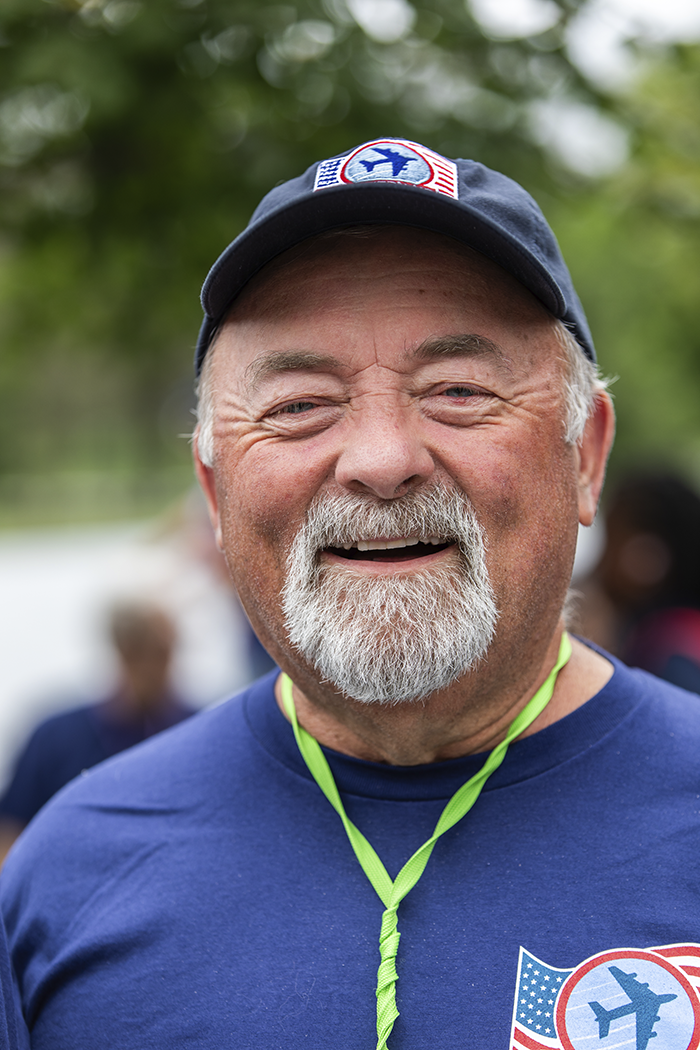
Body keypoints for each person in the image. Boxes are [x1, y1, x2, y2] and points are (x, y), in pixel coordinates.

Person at [2, 138, 699, 1050]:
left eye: (458, 389)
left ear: (586, 457)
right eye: (298, 405)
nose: (380, 462)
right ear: (214, 492)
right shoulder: (68, 877)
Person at [0, 600, 192, 863]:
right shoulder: (56, 738)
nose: (157, 666)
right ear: (123, 652)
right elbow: (10, 835)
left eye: (163, 652)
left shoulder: (192, 729)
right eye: (145, 652)